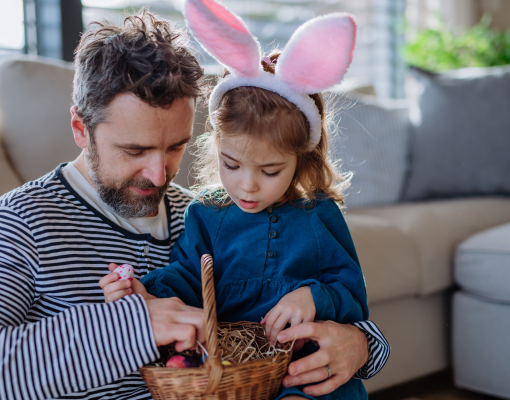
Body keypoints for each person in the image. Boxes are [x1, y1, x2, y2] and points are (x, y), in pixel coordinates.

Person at [0, 8, 387, 400]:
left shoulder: (210, 214)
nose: (160, 175)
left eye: (174, 148)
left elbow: (318, 295)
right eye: (135, 150)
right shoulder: (23, 222)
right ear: (81, 130)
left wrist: (363, 346)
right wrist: (133, 328)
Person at [100, 3, 387, 400]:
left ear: (300, 158)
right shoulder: (207, 214)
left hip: (305, 377)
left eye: (270, 171)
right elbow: (186, 278)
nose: (247, 187)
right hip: (238, 377)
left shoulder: (318, 216)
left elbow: (352, 295)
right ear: (215, 145)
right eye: (231, 164)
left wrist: (314, 296)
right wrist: (143, 294)